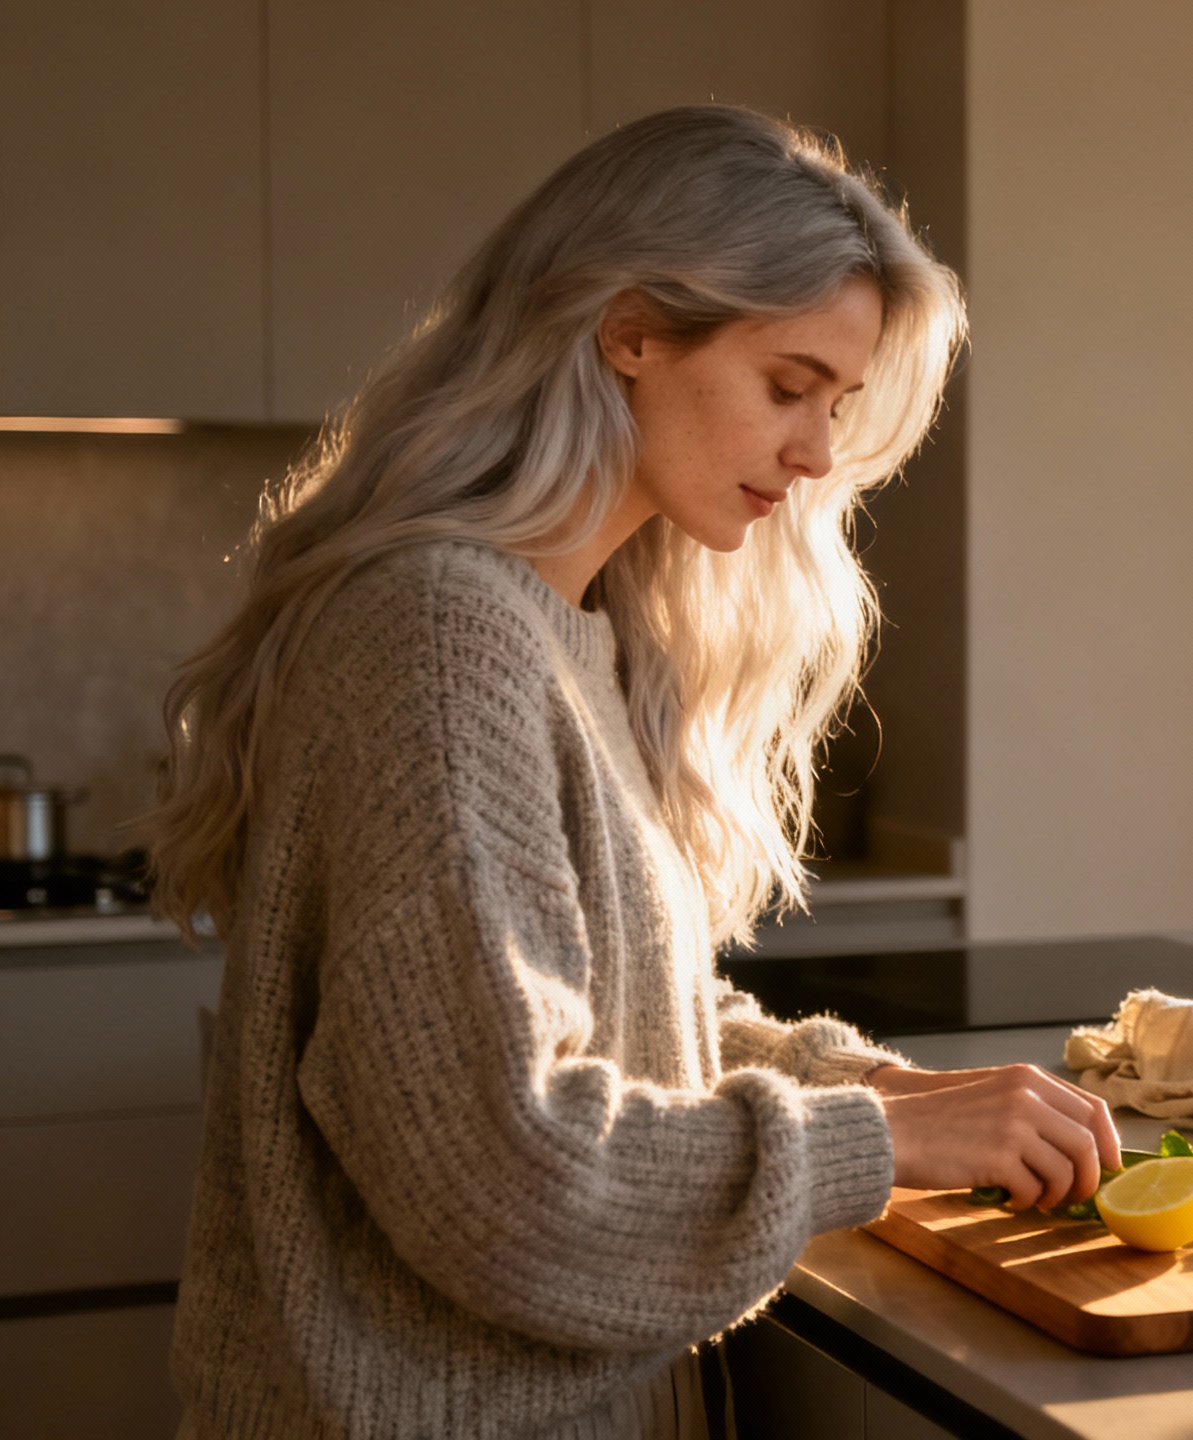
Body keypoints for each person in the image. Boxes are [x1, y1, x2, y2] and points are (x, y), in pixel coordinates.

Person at [147, 106, 1118, 1439]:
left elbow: (611, 1026)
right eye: (788, 386)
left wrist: (874, 1092)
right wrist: (880, 1148)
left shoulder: (554, 633)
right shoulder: (441, 635)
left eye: (837, 405)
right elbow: (504, 1181)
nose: (820, 454)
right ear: (629, 330)